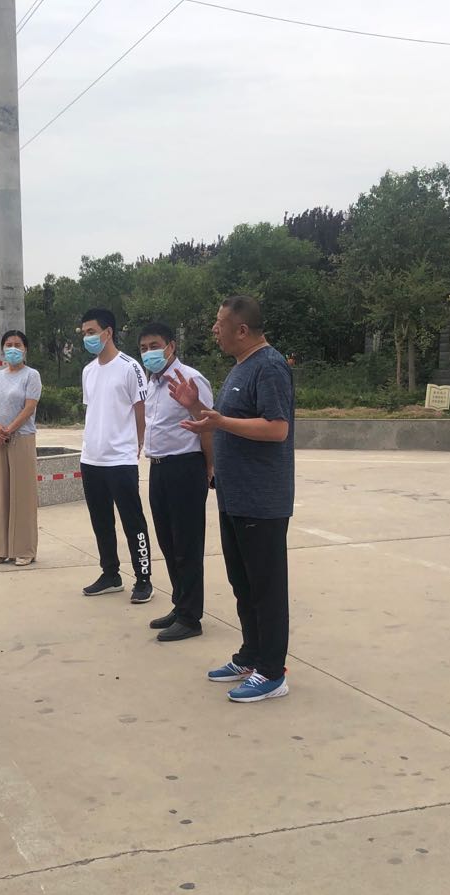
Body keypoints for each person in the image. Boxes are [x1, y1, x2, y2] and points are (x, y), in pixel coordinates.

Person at [169, 296, 295, 703]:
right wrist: (197, 406)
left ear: (242, 330)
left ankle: (272, 672)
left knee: (266, 588)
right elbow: (226, 422)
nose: (214, 329)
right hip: (235, 495)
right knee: (243, 584)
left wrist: (221, 421)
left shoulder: (270, 366)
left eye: (219, 322)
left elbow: (277, 429)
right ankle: (251, 657)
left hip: (262, 499)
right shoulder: (242, 366)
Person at [139, 322, 214, 643]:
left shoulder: (191, 379)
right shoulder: (152, 383)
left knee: (187, 545)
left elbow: (207, 424)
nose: (149, 353)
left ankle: (190, 617)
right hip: (158, 468)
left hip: (185, 467)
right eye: (143, 348)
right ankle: (180, 603)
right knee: (168, 542)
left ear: (171, 346)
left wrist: (209, 466)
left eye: (154, 346)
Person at [78, 308, 153, 604]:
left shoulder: (130, 367)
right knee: (101, 521)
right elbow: (94, 409)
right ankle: (110, 574)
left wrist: (137, 443)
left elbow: (140, 410)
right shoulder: (88, 371)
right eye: (84, 333)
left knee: (132, 521)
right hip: (91, 458)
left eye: (92, 332)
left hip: (120, 459)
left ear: (108, 332)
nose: (87, 337)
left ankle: (143, 577)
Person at [0, 329, 41, 566]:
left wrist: (9, 429)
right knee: (1, 494)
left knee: (22, 494)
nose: (13, 349)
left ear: (25, 349)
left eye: (18, 345)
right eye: (9, 345)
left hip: (21, 438)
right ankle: (1, 549)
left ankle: (24, 549)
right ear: (2, 349)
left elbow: (29, 407)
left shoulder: (31, 375)